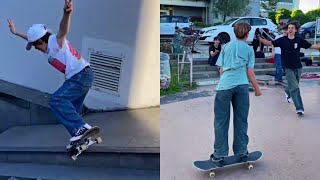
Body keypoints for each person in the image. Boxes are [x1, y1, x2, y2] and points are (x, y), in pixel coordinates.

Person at [7, 0, 96, 141]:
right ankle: (83, 137)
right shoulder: (47, 47)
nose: (37, 49)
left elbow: (63, 30)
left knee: (56, 100)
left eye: (36, 46)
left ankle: (81, 128)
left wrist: (66, 14)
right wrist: (16, 32)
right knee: (72, 109)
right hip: (83, 76)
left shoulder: (55, 41)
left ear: (41, 41)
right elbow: (30, 39)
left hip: (80, 76)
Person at [211, 22, 261, 166]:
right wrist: (257, 89)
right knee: (241, 120)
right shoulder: (249, 49)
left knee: (221, 121)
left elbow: (221, 70)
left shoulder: (226, 47)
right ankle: (242, 151)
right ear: (247, 34)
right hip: (242, 86)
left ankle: (219, 155)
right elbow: (250, 72)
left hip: (224, 86)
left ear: (235, 33)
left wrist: (225, 83)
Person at [258, 21, 320, 115]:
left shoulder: (299, 40)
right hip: (287, 67)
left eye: (292, 28)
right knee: (295, 87)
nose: (290, 29)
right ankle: (299, 108)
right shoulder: (282, 40)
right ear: (287, 30)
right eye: (289, 28)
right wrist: (260, 38)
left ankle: (287, 91)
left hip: (298, 67)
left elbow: (312, 46)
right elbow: (269, 43)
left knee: (294, 85)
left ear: (295, 30)